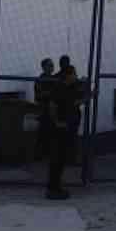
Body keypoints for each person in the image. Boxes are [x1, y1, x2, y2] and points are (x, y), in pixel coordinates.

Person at [47, 66, 88, 200]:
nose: (76, 76)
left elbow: (74, 102)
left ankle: (56, 187)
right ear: (68, 75)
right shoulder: (59, 88)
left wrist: (89, 95)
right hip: (60, 128)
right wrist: (57, 121)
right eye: (74, 74)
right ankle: (53, 189)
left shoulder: (68, 88)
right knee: (57, 158)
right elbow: (52, 106)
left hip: (65, 127)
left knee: (61, 158)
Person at [33, 58, 57, 161]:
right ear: (44, 67)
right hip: (44, 110)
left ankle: (47, 154)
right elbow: (39, 95)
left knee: (51, 132)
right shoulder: (41, 80)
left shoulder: (54, 79)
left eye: (52, 65)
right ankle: (40, 155)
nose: (52, 67)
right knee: (43, 132)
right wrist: (50, 93)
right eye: (50, 65)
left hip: (53, 110)